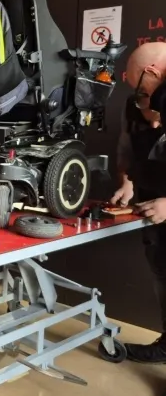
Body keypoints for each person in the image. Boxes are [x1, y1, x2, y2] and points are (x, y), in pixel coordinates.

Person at [110, 41, 166, 365]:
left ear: (152, 72)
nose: (155, 123)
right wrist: (129, 181)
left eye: (143, 91)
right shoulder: (139, 104)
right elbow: (130, 147)